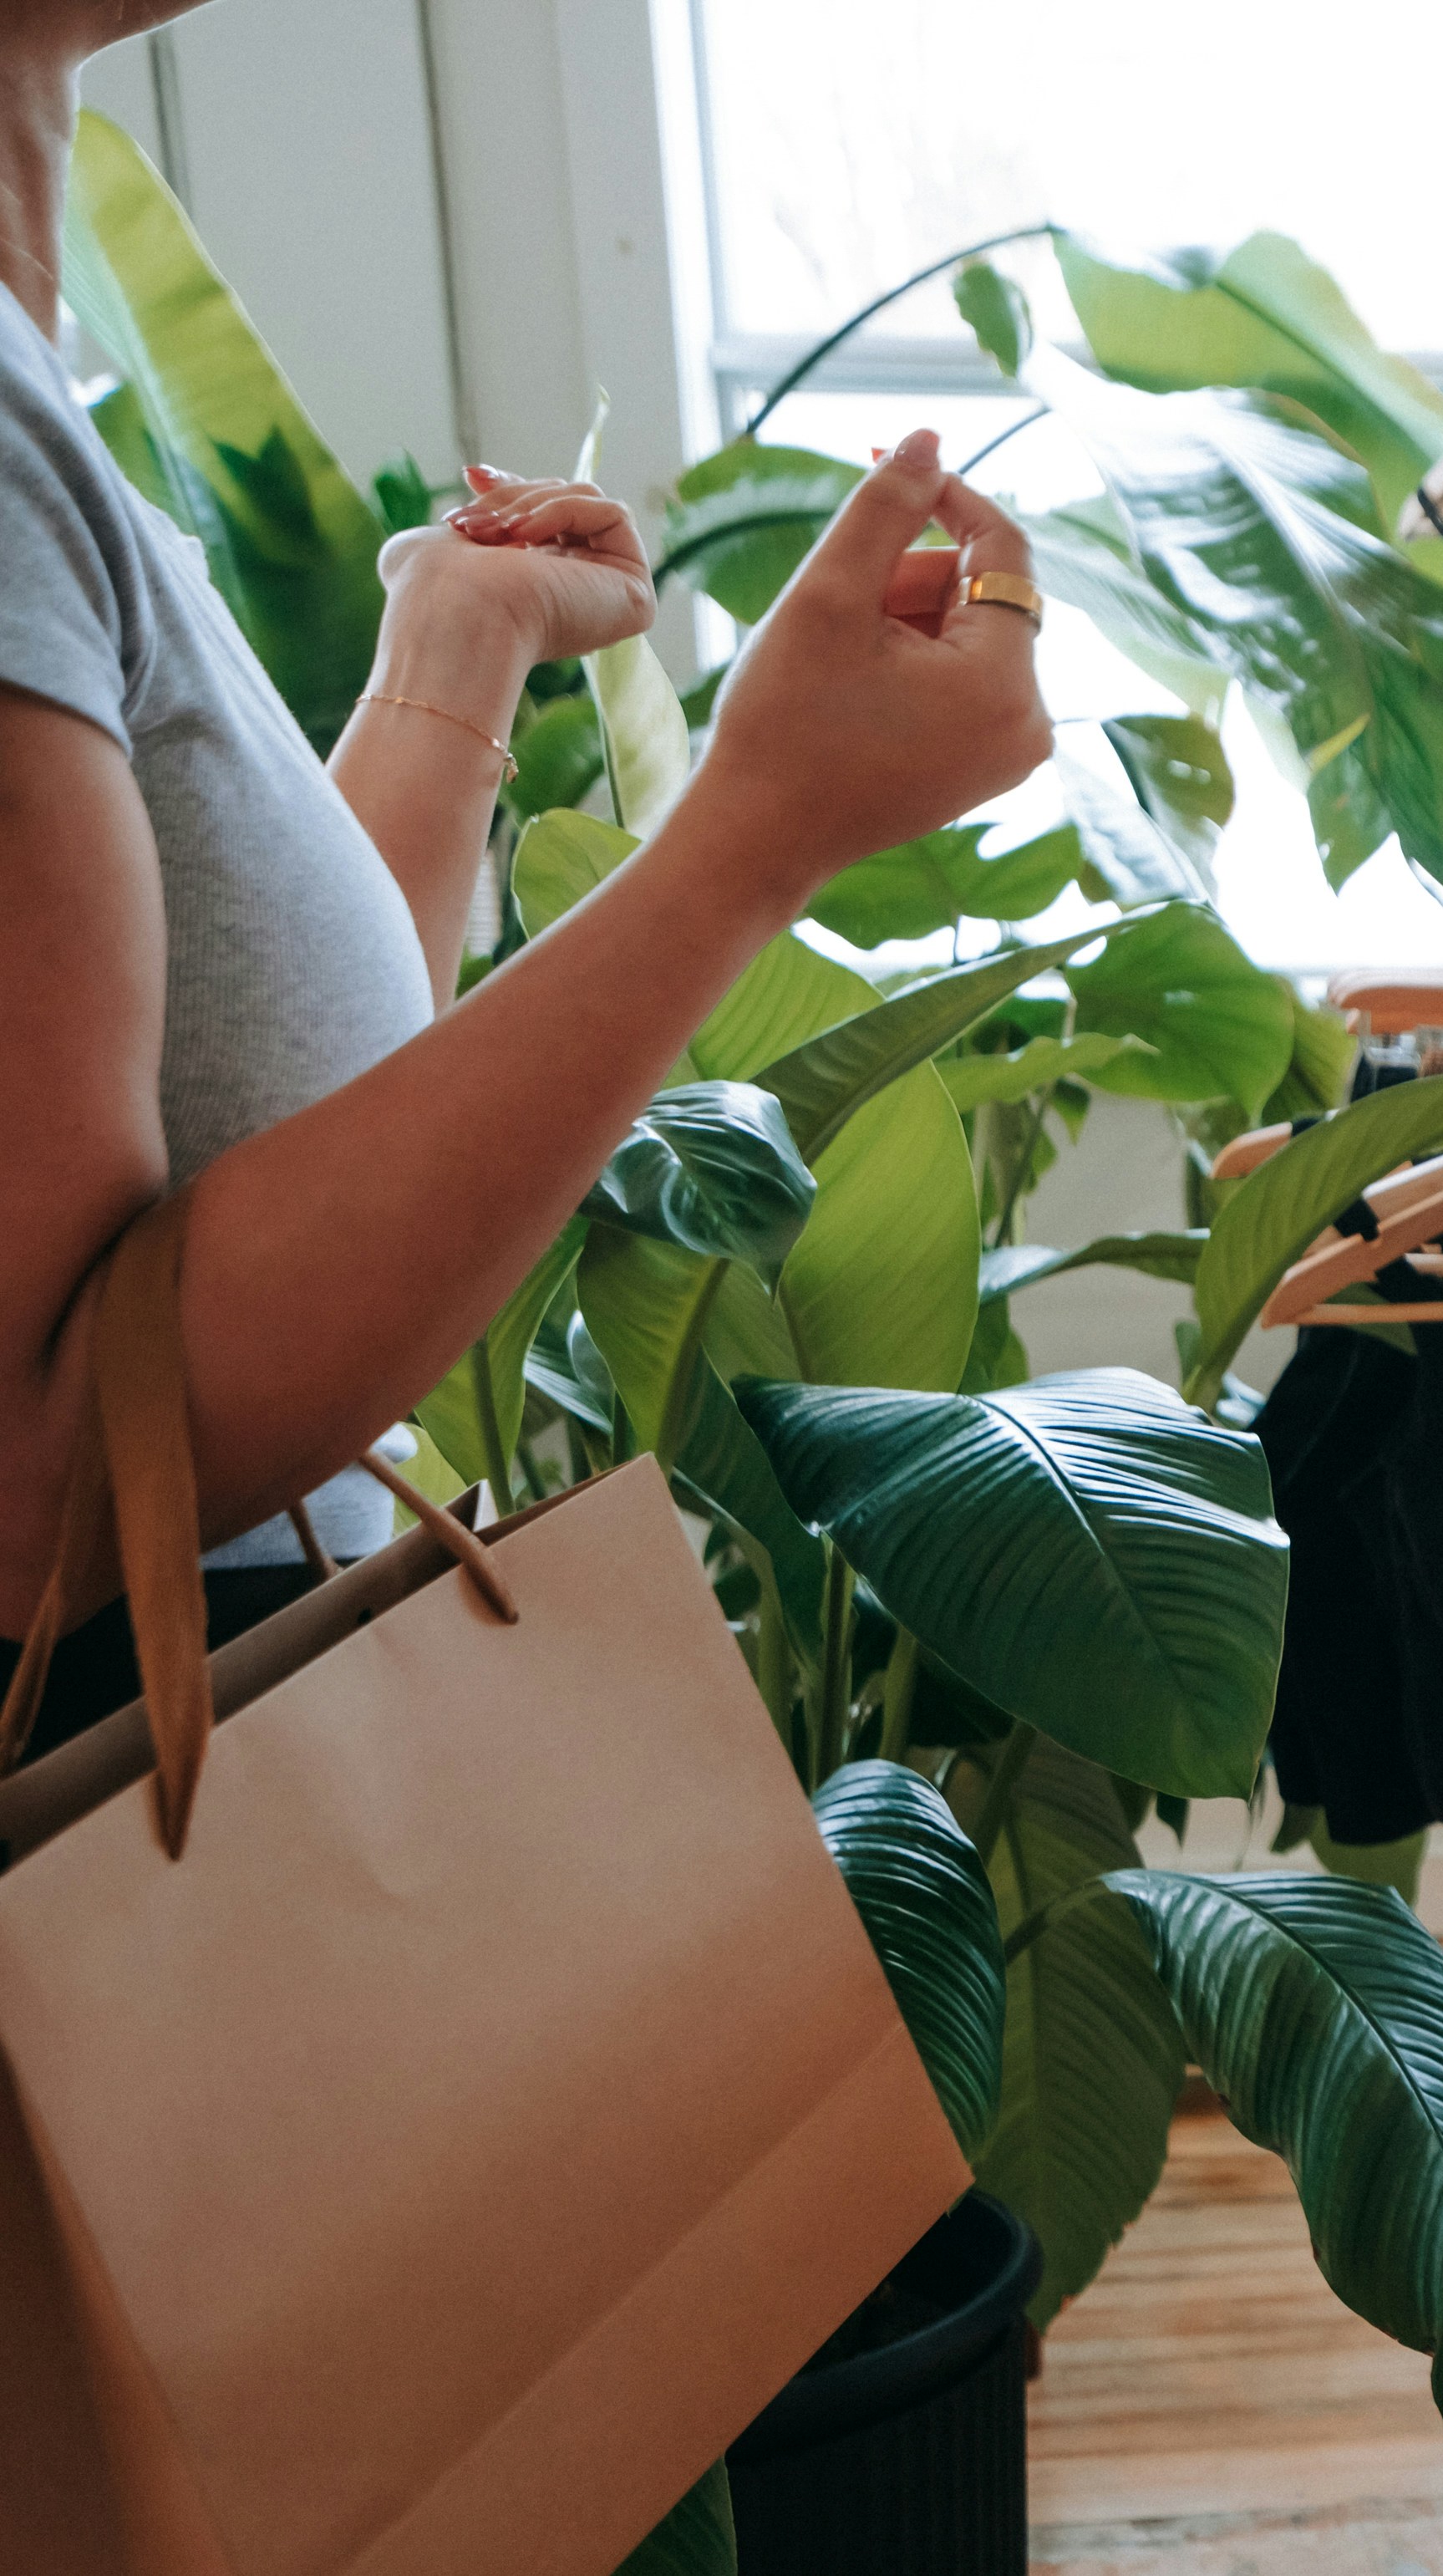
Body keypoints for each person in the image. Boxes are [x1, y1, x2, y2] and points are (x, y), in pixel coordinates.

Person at [0, 0, 1049, 1747]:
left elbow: (256, 1120)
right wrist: (754, 833)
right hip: (134, 1829)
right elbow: (45, 1473)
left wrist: (455, 656)